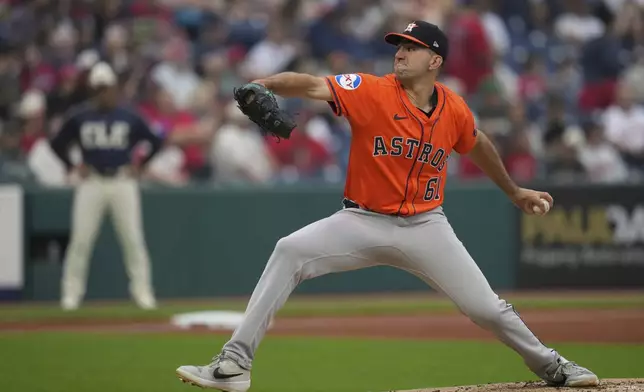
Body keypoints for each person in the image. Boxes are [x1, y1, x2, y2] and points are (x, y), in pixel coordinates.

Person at [175, 21, 599, 391]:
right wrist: (264, 84)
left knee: (486, 308)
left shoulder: (453, 108)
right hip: (362, 220)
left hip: (426, 226)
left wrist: (514, 191)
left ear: (435, 60)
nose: (401, 52)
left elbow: (478, 144)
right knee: (290, 249)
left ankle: (551, 365)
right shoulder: (372, 90)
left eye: (411, 47)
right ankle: (234, 364)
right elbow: (309, 84)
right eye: (399, 45)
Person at [50, 62, 163, 311]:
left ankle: (143, 293)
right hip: (92, 181)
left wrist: (140, 164)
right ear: (93, 90)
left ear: (114, 88)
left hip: (123, 180)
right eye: (99, 88)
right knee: (80, 240)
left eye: (107, 88)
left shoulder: (129, 115)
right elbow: (57, 143)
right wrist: (72, 165)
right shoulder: (80, 116)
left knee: (132, 239)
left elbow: (155, 140)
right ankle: (71, 295)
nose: (104, 93)